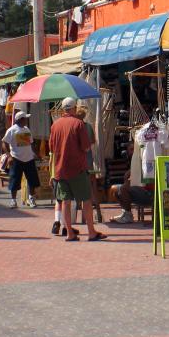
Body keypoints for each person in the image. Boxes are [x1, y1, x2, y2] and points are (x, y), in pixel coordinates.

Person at [49, 97, 106, 242]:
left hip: (60, 169)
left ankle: (69, 233)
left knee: (65, 202)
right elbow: (86, 147)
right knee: (86, 200)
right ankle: (91, 232)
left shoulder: (55, 125)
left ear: (63, 109)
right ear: (74, 108)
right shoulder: (79, 124)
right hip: (77, 169)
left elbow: (51, 148)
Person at [2, 111, 40, 208]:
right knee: (14, 180)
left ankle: (31, 199)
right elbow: (4, 143)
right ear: (20, 119)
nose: (26, 120)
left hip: (29, 159)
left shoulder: (27, 130)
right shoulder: (11, 130)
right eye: (25, 118)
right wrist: (9, 156)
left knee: (32, 180)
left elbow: (31, 143)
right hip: (17, 159)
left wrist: (34, 153)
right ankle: (13, 201)